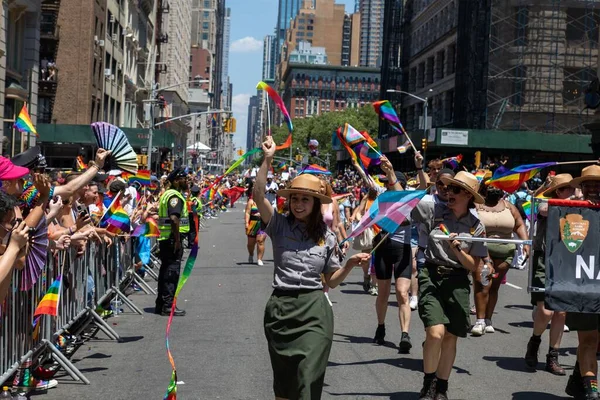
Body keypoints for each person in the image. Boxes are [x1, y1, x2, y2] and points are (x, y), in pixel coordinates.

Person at [254, 136, 370, 400]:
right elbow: (259, 195)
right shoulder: (279, 226)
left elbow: (331, 279)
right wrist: (268, 159)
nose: (298, 204)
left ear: (316, 203)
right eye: (295, 198)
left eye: (305, 199)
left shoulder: (328, 237)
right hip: (281, 312)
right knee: (284, 388)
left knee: (308, 380)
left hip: (314, 311)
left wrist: (350, 264)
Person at [412, 171, 488, 400]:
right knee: (435, 333)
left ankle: (442, 387)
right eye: (447, 188)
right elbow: (403, 200)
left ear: (468, 196)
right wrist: (389, 175)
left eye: (455, 190)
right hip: (432, 275)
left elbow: (474, 266)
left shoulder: (476, 227)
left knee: (450, 337)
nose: (448, 192)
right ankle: (429, 383)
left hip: (457, 281)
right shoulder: (435, 212)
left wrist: (458, 249)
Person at [525, 174, 574, 376]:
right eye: (566, 189)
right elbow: (542, 209)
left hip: (567, 258)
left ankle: (552, 356)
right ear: (558, 191)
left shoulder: (580, 204)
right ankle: (535, 341)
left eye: (572, 189)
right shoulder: (547, 201)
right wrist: (568, 202)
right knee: (545, 311)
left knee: (561, 311)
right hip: (545, 256)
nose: (571, 192)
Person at [471, 180, 529, 335]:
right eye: (490, 186)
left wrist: (525, 242)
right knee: (483, 285)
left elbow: (519, 224)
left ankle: (488, 320)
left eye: (496, 186)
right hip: (481, 251)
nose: (493, 189)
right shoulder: (476, 206)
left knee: (494, 287)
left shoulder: (509, 206)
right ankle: (479, 321)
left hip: (505, 252)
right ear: (483, 189)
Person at [564, 165, 600, 399]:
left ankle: (578, 378)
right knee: (587, 339)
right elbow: (566, 247)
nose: (594, 189)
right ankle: (591, 390)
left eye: (598, 185)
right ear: (582, 188)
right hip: (583, 284)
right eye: (589, 185)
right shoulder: (571, 212)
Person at [372, 157, 414, 353]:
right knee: (383, 292)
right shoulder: (383, 199)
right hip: (383, 249)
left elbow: (405, 216)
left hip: (402, 250)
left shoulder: (410, 201)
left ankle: (405, 334)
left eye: (389, 183)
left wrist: (391, 172)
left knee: (402, 292)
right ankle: (380, 326)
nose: (386, 186)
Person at [155, 167, 189, 317]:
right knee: (171, 273)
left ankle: (161, 304)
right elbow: (174, 219)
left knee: (165, 272)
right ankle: (168, 306)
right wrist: (177, 241)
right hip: (171, 239)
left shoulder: (168, 194)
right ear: (176, 181)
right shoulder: (174, 196)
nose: (186, 181)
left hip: (166, 239)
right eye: (183, 179)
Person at [245, 194, 266, 266]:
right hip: (252, 224)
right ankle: (251, 254)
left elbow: (269, 213)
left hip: (262, 224)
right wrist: (246, 223)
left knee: (260, 241)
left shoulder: (265, 202)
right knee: (250, 244)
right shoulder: (251, 202)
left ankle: (259, 259)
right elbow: (247, 213)